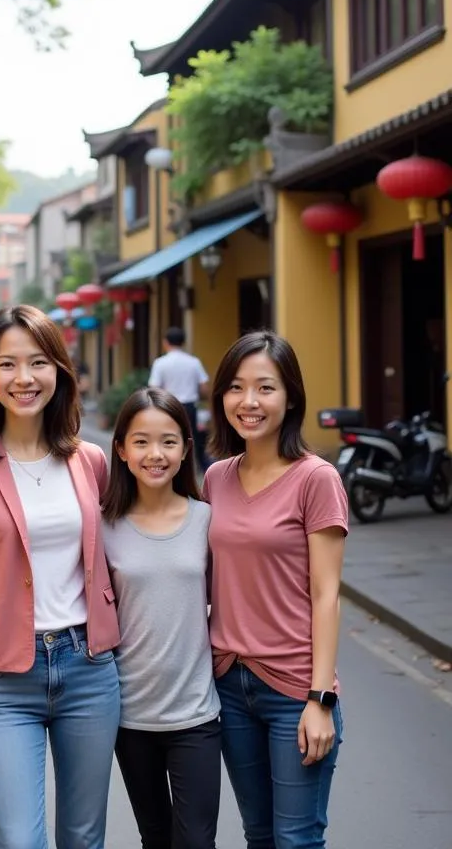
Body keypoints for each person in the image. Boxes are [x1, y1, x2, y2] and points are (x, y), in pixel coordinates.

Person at [0, 304, 121, 849]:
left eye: (38, 363)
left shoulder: (90, 461)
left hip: (89, 668)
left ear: (59, 371)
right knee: (18, 840)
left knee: (84, 838)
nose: (24, 379)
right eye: (8, 364)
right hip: (5, 679)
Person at [203, 330, 348, 849]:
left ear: (290, 396)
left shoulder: (316, 479)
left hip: (294, 689)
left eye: (265, 388)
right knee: (259, 834)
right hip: (229, 685)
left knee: (297, 838)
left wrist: (320, 698)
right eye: (236, 388)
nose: (249, 402)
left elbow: (326, 594)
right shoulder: (216, 477)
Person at [102, 387, 220, 849]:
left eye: (169, 441)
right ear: (121, 450)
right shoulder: (101, 525)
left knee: (196, 842)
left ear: (186, 448)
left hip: (196, 714)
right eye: (142, 441)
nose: (156, 454)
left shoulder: (207, 520)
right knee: (155, 837)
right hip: (130, 717)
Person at [148, 326, 211, 471]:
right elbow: (204, 388)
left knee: (169, 439)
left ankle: (173, 467)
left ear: (165, 342)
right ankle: (198, 468)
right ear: (183, 342)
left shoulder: (160, 363)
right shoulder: (194, 362)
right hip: (189, 407)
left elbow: (154, 389)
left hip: (168, 407)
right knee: (192, 438)